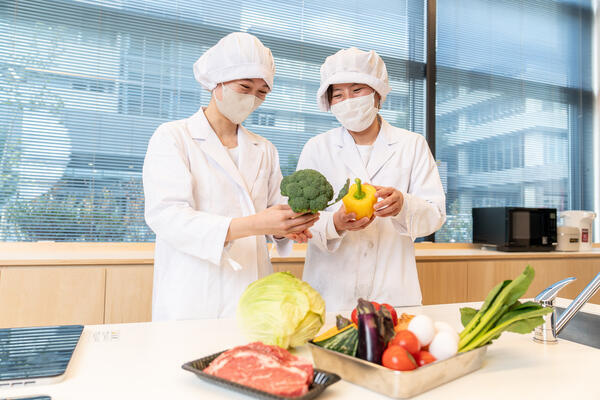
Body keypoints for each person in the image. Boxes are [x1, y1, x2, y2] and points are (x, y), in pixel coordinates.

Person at [143, 32, 318, 320]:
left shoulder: (265, 149)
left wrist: (285, 226)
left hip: (253, 289)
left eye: (262, 92)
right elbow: (168, 217)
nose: (252, 98)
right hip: (193, 293)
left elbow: (272, 212)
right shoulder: (174, 137)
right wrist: (256, 223)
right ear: (217, 83)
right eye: (244, 86)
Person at [297, 47, 446, 312]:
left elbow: (434, 215)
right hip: (331, 293)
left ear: (378, 93)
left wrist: (404, 205)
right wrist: (335, 223)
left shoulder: (411, 145)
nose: (348, 100)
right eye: (338, 94)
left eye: (357, 90)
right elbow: (301, 220)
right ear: (329, 102)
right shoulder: (316, 148)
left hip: (392, 292)